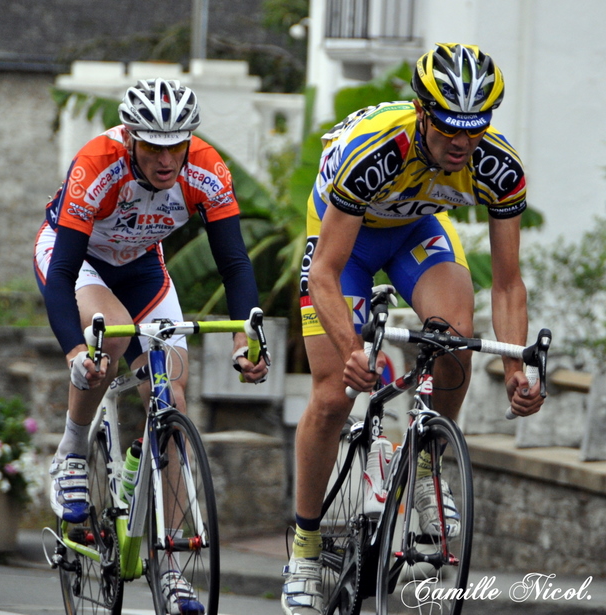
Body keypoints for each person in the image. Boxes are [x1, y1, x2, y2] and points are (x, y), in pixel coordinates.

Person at [282, 43, 547, 615]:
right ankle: (303, 550)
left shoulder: (499, 167)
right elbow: (325, 272)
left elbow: (507, 284)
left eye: (475, 128)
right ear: (423, 111)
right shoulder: (376, 151)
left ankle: (426, 466)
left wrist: (517, 367)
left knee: (455, 335)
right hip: (342, 241)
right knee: (332, 393)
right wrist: (353, 349)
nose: (462, 142)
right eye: (450, 127)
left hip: (414, 230)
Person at [34, 78, 268, 615]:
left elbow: (234, 262)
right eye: (154, 145)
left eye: (177, 144)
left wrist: (243, 336)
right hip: (79, 261)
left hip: (142, 269)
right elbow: (64, 269)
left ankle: (173, 566)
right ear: (131, 138)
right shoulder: (98, 164)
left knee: (173, 395)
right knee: (110, 335)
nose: (167, 159)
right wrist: (75, 352)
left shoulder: (207, 169)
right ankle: (71, 452)